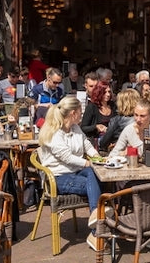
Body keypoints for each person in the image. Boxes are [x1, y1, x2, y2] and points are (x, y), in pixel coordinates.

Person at [37, 97, 103, 251]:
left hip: (76, 171)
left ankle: (95, 219)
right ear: (73, 113)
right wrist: (89, 163)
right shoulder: (54, 132)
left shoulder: (75, 128)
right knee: (95, 180)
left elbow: (87, 145)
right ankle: (97, 229)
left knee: (97, 174)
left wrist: (99, 159)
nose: (82, 114)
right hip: (57, 177)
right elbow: (66, 157)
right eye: (81, 111)